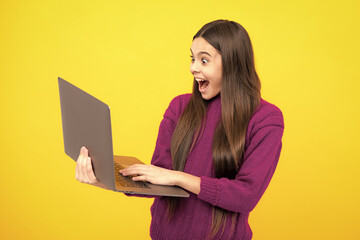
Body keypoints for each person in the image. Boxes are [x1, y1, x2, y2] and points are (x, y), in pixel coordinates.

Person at [75, 19, 284, 240]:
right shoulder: (179, 107)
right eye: (193, 59)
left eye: (204, 60)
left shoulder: (266, 119)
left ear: (232, 63)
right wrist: (105, 180)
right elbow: (160, 177)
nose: (193, 68)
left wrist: (179, 178)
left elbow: (245, 195)